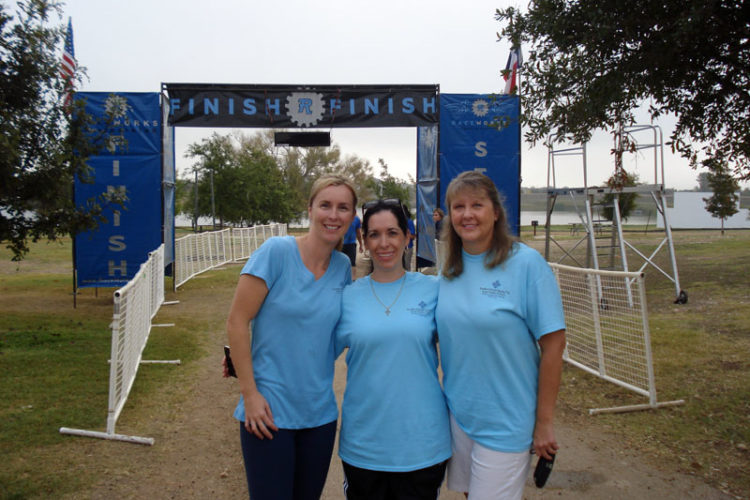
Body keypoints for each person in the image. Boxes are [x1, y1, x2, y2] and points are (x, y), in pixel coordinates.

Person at [435, 171, 566, 500]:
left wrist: (544, 423)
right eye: (458, 206)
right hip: (459, 416)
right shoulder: (449, 269)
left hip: (507, 421)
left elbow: (553, 346)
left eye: (477, 205)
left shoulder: (527, 264)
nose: (467, 214)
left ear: (496, 212)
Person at [225, 174, 357, 500]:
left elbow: (343, 333)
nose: (333, 215)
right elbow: (237, 321)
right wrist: (250, 393)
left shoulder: (342, 267)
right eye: (325, 205)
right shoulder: (277, 251)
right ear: (309, 208)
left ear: (353, 217)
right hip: (268, 413)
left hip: (320, 416)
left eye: (343, 208)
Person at [334, 199, 451, 500]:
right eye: (374, 234)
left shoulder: (435, 289)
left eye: (392, 233)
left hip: (422, 445)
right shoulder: (346, 297)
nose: (383, 243)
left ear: (408, 237)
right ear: (363, 240)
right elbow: (311, 354)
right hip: (364, 446)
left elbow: (476, 337)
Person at [342, 214, 363, 279]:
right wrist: (361, 245)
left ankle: (351, 280)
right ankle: (352, 280)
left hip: (347, 244)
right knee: (352, 264)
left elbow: (358, 233)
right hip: (345, 245)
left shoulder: (356, 219)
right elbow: (358, 233)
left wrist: (361, 245)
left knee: (347, 264)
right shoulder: (356, 219)